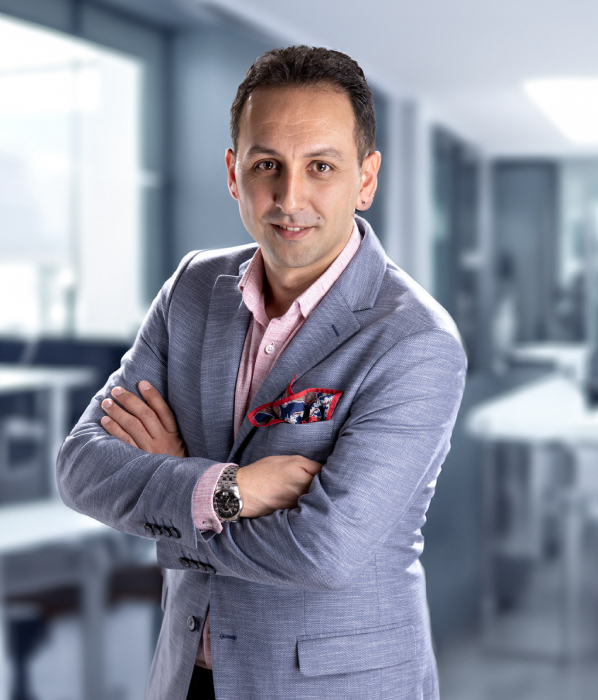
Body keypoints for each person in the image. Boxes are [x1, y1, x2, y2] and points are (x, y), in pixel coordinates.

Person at [57, 46, 467, 700]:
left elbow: (324, 551)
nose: (289, 197)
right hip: (185, 675)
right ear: (233, 172)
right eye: (266, 164)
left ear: (366, 179)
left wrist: (177, 498)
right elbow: (81, 466)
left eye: (320, 167)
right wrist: (230, 488)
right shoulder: (192, 288)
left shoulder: (415, 340)